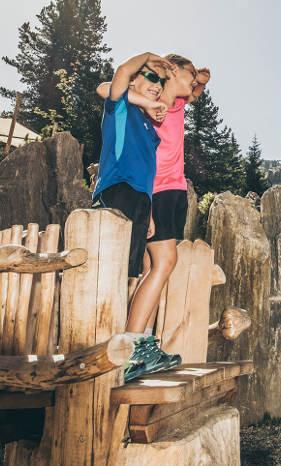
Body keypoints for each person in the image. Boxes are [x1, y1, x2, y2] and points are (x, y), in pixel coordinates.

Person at [97, 54, 209, 381]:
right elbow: (109, 87)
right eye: (189, 72)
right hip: (149, 190)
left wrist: (200, 82)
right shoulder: (148, 107)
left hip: (159, 192)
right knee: (164, 262)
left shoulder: (164, 110)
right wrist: (150, 66)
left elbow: (192, 93)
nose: (157, 85)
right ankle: (133, 345)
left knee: (152, 269)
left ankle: (143, 342)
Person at [91, 51, 176, 381]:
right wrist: (151, 57)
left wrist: (149, 210)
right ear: (134, 80)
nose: (158, 85)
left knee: (134, 272)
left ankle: (133, 349)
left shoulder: (148, 124)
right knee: (114, 276)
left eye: (162, 82)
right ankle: (114, 356)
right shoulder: (121, 107)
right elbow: (115, 77)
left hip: (139, 198)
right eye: (151, 77)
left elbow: (147, 172)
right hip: (119, 191)